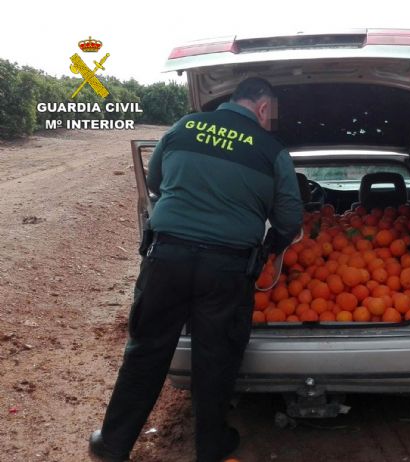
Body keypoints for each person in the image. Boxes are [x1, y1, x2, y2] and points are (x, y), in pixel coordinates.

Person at [89, 77, 303, 462]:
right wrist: (272, 243)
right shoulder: (272, 151)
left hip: (166, 259)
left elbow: (156, 182)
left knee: (146, 349)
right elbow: (289, 219)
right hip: (226, 269)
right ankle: (211, 446)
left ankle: (113, 443)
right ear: (263, 108)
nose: (272, 123)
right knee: (216, 357)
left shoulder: (182, 128)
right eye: (273, 116)